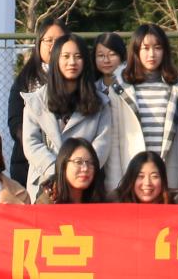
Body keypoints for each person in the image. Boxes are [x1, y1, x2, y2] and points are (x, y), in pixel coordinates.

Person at [20, 34, 117, 194]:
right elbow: (32, 143)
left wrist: (78, 171)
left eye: (78, 57)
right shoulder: (36, 101)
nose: (72, 62)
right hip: (47, 184)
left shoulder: (100, 103)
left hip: (85, 185)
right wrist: (57, 172)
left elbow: (102, 145)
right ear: (55, 60)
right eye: (65, 56)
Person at [104, 25, 178, 190]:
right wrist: (115, 187)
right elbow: (114, 141)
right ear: (136, 50)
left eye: (157, 48)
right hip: (131, 177)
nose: (152, 54)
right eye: (145, 48)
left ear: (165, 51)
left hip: (169, 178)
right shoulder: (120, 89)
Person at [7, 20, 69, 185]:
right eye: (49, 40)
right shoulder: (25, 81)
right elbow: (15, 122)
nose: (54, 45)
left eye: (60, 40)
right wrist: (36, 146)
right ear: (38, 44)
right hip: (28, 164)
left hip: (70, 163)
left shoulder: (77, 80)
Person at [39, 138, 109, 204]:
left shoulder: (101, 200)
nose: (85, 168)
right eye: (78, 162)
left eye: (90, 162)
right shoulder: (46, 203)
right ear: (63, 165)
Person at [113, 150, 178, 204]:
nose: (147, 183)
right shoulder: (114, 205)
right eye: (141, 176)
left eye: (154, 176)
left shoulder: (177, 204)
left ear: (163, 180)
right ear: (131, 179)